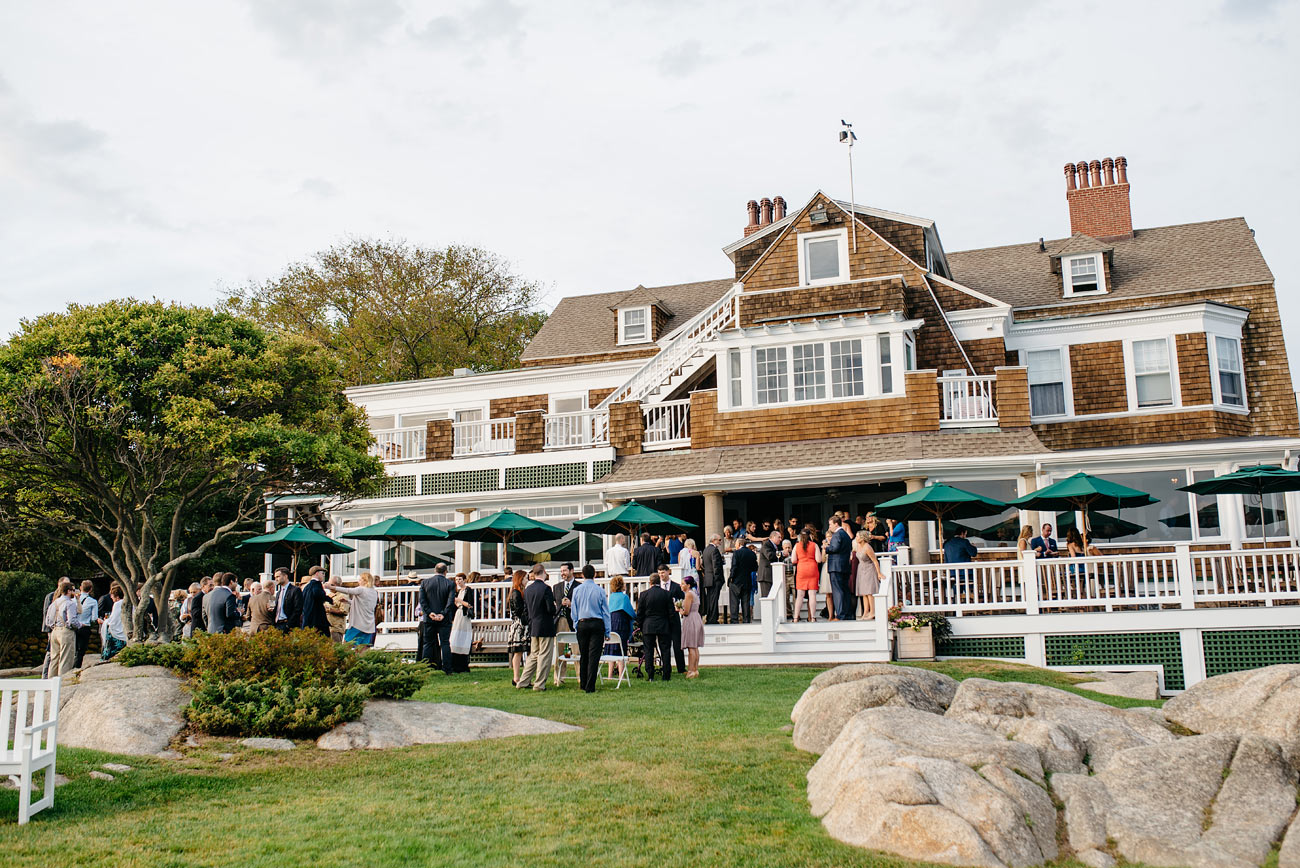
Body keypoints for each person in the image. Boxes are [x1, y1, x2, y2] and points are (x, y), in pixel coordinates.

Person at [569, 564, 610, 693]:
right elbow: (605, 612)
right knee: (594, 655)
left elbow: (573, 610)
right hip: (597, 623)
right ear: (595, 575)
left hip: (582, 623)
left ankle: (583, 682)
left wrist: (576, 624)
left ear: (582, 575)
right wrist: (607, 630)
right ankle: (590, 686)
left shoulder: (577, 590)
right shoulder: (600, 590)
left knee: (584, 654)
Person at [517, 563, 557, 691]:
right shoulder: (546, 589)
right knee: (544, 655)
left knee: (533, 655)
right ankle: (539, 684)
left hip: (533, 625)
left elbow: (526, 610)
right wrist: (555, 606)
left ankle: (523, 681)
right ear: (544, 572)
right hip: (545, 625)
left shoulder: (528, 589)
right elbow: (551, 609)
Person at [636, 571, 675, 681]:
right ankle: (666, 674)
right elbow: (671, 612)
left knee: (648, 651)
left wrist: (641, 625)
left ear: (650, 582)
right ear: (659, 581)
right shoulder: (666, 594)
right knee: (665, 650)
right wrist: (670, 624)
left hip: (648, 625)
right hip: (663, 624)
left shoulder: (644, 594)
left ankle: (650, 674)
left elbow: (640, 613)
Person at [419, 564, 457, 675]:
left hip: (429, 619)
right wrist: (443, 614)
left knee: (428, 644)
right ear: (445, 571)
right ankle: (447, 669)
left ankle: (424, 668)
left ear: (435, 570)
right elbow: (450, 602)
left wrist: (430, 613)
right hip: (444, 619)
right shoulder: (450, 583)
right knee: (445, 643)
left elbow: (422, 601)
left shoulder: (425, 583)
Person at [329, 572, 379, 646]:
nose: (358, 581)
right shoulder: (374, 592)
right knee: (363, 647)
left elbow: (348, 591)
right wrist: (348, 601)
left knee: (347, 644)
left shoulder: (361, 589)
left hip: (357, 624)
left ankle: (346, 658)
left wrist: (332, 587)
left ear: (365, 581)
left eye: (360, 580)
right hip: (369, 625)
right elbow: (364, 604)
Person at [605, 575, 635, 681]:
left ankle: (609, 675)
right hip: (622, 624)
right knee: (621, 648)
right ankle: (621, 674)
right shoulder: (624, 597)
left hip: (612, 623)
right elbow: (630, 612)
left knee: (611, 648)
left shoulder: (611, 597)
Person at [658, 563, 687, 674]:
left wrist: (679, 606)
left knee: (677, 644)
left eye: (663, 572)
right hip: (663, 618)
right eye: (659, 573)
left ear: (668, 572)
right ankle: (665, 667)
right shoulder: (658, 586)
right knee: (664, 644)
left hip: (674, 618)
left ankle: (681, 668)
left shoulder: (675, 586)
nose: (661, 575)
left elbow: (682, 599)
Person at [46, 581, 79, 677]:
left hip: (54, 631)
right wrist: (80, 625)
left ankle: (50, 683)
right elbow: (72, 621)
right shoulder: (70, 603)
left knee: (54, 659)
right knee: (66, 659)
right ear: (68, 591)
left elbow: (48, 620)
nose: (74, 592)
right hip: (65, 631)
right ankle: (63, 684)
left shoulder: (54, 603)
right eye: (73, 590)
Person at [824, 516, 853, 621]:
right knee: (845, 590)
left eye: (830, 524)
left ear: (836, 524)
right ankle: (848, 614)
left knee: (837, 590)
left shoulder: (837, 534)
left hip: (836, 566)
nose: (829, 527)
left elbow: (834, 548)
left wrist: (826, 548)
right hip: (845, 565)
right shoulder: (846, 535)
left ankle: (840, 615)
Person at [448, 572, 476, 673]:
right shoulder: (456, 591)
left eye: (460, 579)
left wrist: (459, 600)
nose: (458, 581)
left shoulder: (468, 590)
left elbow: (470, 604)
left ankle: (463, 664)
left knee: (463, 637)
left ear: (464, 580)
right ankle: (455, 664)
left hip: (464, 616)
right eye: (456, 580)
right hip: (458, 615)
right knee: (455, 637)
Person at [851, 530, 882, 620]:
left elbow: (875, 561)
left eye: (857, 536)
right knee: (863, 592)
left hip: (869, 569)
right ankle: (865, 612)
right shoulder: (858, 546)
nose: (856, 538)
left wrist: (879, 573)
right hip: (861, 569)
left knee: (869, 592)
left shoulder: (867, 547)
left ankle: (872, 612)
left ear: (862, 538)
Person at [505, 570, 529, 686]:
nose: (527, 580)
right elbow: (519, 611)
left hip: (519, 624)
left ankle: (522, 677)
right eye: (525, 578)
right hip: (520, 625)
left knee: (520, 651)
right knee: (518, 651)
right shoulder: (516, 593)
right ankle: (516, 677)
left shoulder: (518, 592)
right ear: (520, 579)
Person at [792, 530, 822, 622]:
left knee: (800, 595)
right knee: (812, 594)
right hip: (812, 569)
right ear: (810, 536)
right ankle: (812, 617)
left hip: (801, 569)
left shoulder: (797, 545)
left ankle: (796, 617)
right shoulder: (814, 545)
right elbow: (819, 559)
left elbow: (793, 560)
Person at [679, 576, 704, 678]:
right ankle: (695, 669)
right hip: (696, 618)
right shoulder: (694, 593)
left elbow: (686, 612)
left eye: (683, 584)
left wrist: (679, 609)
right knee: (695, 647)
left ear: (688, 585)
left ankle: (691, 670)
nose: (681, 585)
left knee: (691, 647)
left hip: (691, 620)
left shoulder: (689, 594)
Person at [728, 540, 757, 624]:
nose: (735, 545)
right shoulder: (752, 553)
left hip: (736, 581)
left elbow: (734, 566)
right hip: (747, 580)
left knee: (734, 602)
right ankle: (746, 620)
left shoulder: (736, 553)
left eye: (736, 544)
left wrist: (731, 577)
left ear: (740, 544)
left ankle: (734, 620)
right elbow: (755, 568)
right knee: (746, 602)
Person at [698, 534, 724, 624]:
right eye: (719, 540)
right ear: (714, 540)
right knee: (713, 600)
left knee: (710, 599)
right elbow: (716, 566)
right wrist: (718, 579)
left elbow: (704, 565)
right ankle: (712, 619)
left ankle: (710, 617)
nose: (720, 542)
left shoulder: (706, 550)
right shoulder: (714, 550)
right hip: (714, 579)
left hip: (708, 578)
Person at [298, 566, 331, 636]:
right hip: (317, 620)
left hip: (307, 620)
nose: (324, 575)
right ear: (317, 573)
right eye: (322, 573)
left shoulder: (306, 587)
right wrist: (329, 599)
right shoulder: (317, 584)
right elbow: (317, 593)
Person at [72, 580, 98, 668]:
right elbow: (94, 618)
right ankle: (77, 667)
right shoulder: (93, 601)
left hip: (74, 626)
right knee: (81, 650)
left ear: (80, 588)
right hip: (85, 626)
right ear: (90, 589)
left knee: (73, 649)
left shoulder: (73, 600)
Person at [99, 585, 127, 660]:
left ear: (117, 596)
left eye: (112, 595)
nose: (111, 597)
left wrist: (104, 621)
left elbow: (113, 621)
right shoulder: (128, 603)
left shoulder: (117, 604)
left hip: (116, 634)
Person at [272, 568, 302, 632]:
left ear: (285, 576)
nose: (276, 579)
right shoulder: (278, 593)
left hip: (289, 625)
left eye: (278, 576)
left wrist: (288, 625)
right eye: (275, 577)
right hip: (277, 625)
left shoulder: (295, 590)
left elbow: (298, 609)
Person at [757, 530, 781, 599]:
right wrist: (781, 553)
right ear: (773, 537)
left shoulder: (775, 546)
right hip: (766, 576)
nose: (780, 539)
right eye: (779, 537)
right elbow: (770, 556)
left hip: (771, 576)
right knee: (767, 598)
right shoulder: (766, 544)